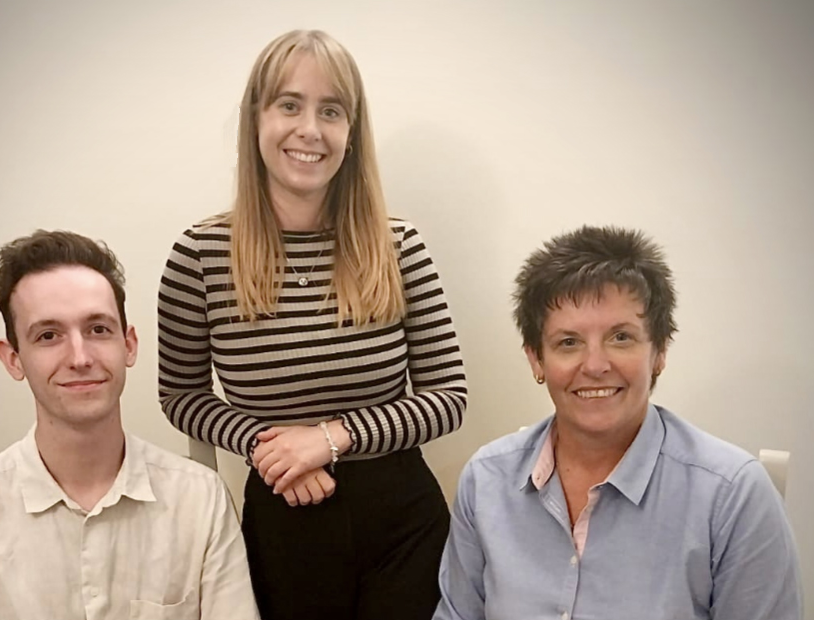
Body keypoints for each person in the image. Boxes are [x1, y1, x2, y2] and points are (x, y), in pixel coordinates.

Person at [158, 29, 467, 619]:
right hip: (283, 517)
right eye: (290, 104)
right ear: (258, 119)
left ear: (351, 134)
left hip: (403, 525)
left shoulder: (400, 246)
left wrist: (328, 439)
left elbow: (448, 399)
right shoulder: (200, 254)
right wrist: (269, 449)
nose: (310, 129)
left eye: (331, 111)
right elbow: (181, 395)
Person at [434, 225, 803, 620]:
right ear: (536, 360)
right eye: (568, 342)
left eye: (621, 337)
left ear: (659, 351)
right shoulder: (486, 481)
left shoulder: (733, 496)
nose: (595, 365)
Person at [0, 230, 260, 620]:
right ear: (13, 359)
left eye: (98, 329)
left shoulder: (200, 500)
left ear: (128, 345)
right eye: (48, 335)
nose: (79, 357)